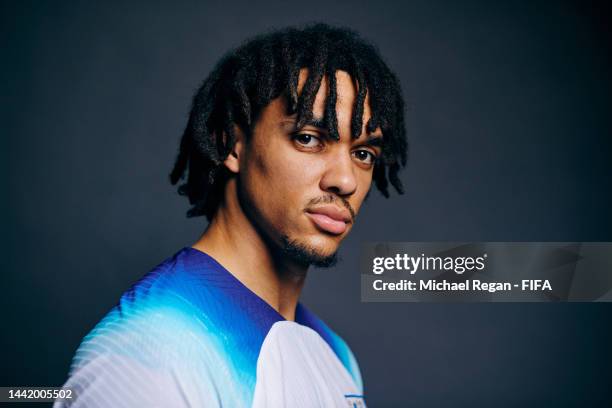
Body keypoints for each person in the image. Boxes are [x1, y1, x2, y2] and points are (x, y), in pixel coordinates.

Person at [55, 23, 407, 408]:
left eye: (363, 154)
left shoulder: (336, 356)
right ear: (232, 145)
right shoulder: (148, 353)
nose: (345, 180)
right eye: (308, 138)